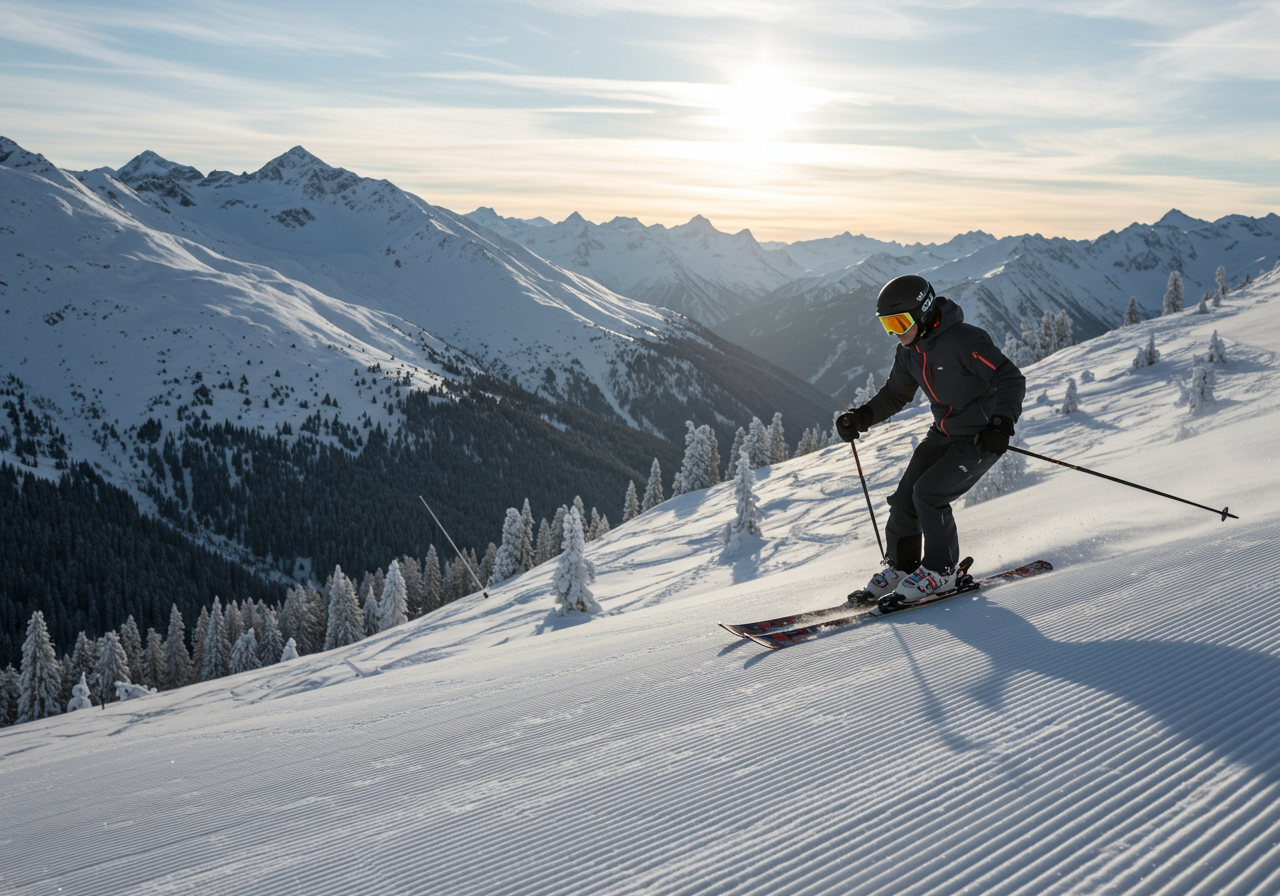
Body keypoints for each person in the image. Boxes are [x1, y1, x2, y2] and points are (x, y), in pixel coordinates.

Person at [836, 275, 1025, 606]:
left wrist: (1001, 423)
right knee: (906, 496)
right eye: (887, 326)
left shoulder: (965, 341)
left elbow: (1009, 377)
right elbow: (896, 394)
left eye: (899, 322)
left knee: (929, 494)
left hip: (980, 438)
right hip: (944, 433)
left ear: (923, 313)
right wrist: (862, 416)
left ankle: (941, 571)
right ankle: (903, 567)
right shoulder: (909, 351)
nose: (895, 332)